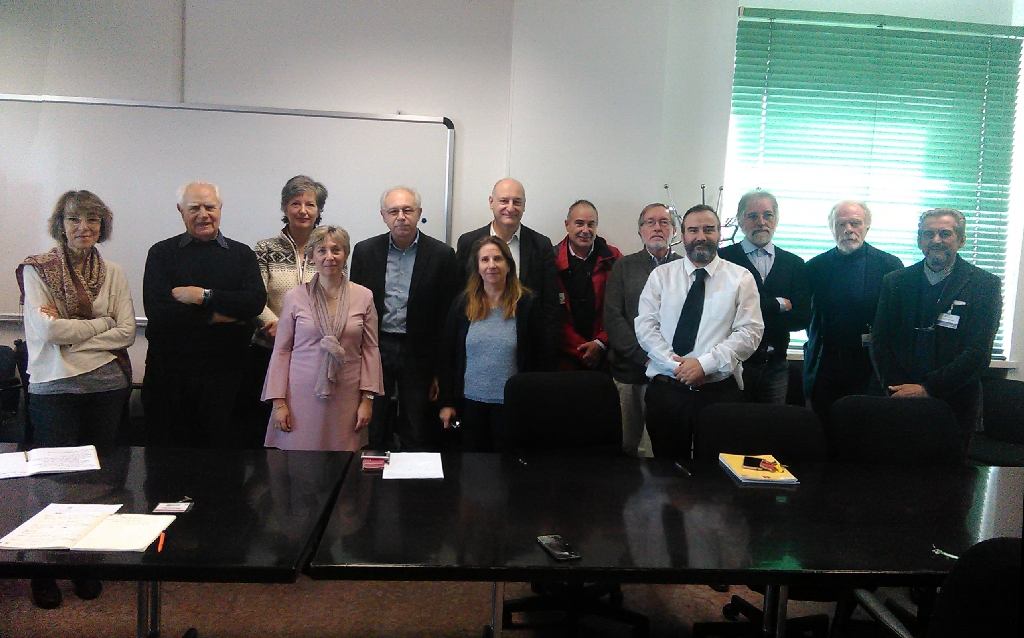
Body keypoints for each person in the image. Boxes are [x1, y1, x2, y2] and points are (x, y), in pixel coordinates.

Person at [16, 190, 136, 609]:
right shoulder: (38, 271)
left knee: (99, 484)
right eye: (74, 220)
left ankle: (85, 563)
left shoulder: (115, 272)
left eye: (93, 220)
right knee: (53, 483)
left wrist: (77, 337)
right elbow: (49, 334)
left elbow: (127, 333)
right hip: (55, 389)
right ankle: (44, 571)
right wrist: (99, 326)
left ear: (103, 226)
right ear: (60, 224)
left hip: (106, 389)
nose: (84, 228)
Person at [142, 181, 267, 449]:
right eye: (194, 208)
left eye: (209, 206)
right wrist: (216, 317)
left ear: (220, 208)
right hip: (169, 379)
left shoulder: (242, 254)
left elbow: (254, 303)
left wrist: (202, 296)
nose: (203, 214)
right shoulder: (161, 253)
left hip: (228, 378)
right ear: (180, 210)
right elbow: (159, 312)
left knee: (224, 467)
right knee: (168, 468)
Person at [635, 205, 763, 459]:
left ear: (719, 234)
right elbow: (646, 326)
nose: (701, 236)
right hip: (667, 392)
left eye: (708, 229)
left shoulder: (741, 278)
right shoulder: (661, 276)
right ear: (681, 236)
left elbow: (749, 332)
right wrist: (678, 367)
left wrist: (704, 365)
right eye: (693, 230)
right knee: (667, 476)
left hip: (718, 395)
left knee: (716, 478)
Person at [871, 208, 1001, 439]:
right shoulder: (895, 282)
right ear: (920, 241)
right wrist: (899, 388)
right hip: (899, 400)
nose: (936, 240)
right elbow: (880, 341)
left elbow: (978, 353)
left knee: (949, 475)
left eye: (945, 233)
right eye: (928, 234)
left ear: (961, 240)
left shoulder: (984, 285)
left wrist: (927, 389)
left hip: (955, 405)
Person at [350, 186, 459, 451]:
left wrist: (439, 372)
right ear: (383, 216)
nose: (401, 217)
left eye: (408, 210)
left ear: (419, 213)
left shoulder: (442, 255)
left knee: (416, 427)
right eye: (394, 211)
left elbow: (448, 317)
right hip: (377, 348)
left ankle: (411, 488)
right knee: (374, 425)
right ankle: (373, 487)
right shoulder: (365, 251)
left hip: (419, 352)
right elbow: (354, 308)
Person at [262, 225, 384, 451]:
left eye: (336, 250)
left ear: (346, 254)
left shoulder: (364, 296)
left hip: (347, 395)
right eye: (322, 250)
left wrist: (368, 400)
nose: (329, 257)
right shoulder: (295, 296)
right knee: (302, 468)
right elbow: (281, 350)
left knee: (342, 465)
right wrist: (278, 403)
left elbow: (370, 349)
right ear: (311, 256)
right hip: (300, 396)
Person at [437, 236, 551, 452]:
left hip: (512, 407)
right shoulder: (463, 304)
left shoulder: (527, 305)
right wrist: (447, 402)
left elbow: (540, 358)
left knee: (507, 474)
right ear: (477, 268)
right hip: (469, 406)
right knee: (472, 473)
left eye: (497, 259)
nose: (491, 265)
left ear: (509, 265)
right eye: (485, 260)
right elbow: (448, 356)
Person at [239, 176, 327, 447]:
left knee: (305, 428)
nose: (303, 210)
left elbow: (334, 299)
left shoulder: (330, 249)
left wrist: (298, 332)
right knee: (263, 429)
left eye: (310, 204)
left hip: (313, 356)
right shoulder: (264, 249)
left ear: (319, 209)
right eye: (295, 203)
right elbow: (255, 298)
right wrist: (281, 328)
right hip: (268, 350)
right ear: (284, 208)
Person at [804, 201, 903, 424]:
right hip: (824, 367)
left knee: (864, 432)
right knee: (823, 433)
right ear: (832, 228)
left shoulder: (890, 266)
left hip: (869, 367)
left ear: (867, 226)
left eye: (855, 223)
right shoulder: (814, 267)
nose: (848, 229)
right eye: (841, 224)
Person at [604, 203, 682, 456]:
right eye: (650, 222)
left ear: (674, 230)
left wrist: (668, 361)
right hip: (630, 373)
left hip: (672, 377)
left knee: (663, 449)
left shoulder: (686, 268)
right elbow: (614, 318)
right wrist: (645, 357)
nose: (657, 227)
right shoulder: (624, 267)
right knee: (626, 446)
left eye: (664, 222)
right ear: (640, 231)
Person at [718, 190, 810, 403]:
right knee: (731, 427)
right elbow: (722, 312)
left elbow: (803, 316)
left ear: (776, 220)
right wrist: (776, 305)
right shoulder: (723, 260)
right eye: (753, 216)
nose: (761, 222)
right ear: (740, 221)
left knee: (770, 430)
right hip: (733, 365)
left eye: (768, 215)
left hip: (775, 366)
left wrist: (748, 314)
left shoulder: (794, 264)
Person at [455, 178, 559, 353]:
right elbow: (458, 295)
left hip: (527, 345)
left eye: (517, 202)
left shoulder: (541, 245)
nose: (510, 208)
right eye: (504, 201)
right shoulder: (468, 242)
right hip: (476, 342)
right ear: (491, 202)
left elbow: (550, 304)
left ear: (524, 206)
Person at [553, 199, 622, 371]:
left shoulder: (614, 258)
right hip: (564, 358)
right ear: (567, 225)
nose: (585, 230)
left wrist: (600, 343)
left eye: (591, 224)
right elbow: (550, 315)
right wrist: (582, 350)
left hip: (605, 358)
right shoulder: (551, 260)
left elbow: (624, 307)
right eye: (579, 224)